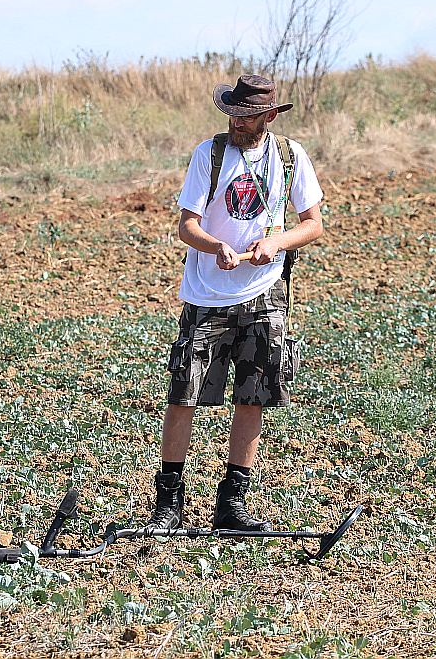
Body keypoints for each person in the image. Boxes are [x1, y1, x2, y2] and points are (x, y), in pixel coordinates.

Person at [146, 74, 324, 531]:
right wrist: (215, 247)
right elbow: (187, 226)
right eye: (232, 114)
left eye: (246, 117)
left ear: (268, 115)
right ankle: (169, 504)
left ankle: (233, 505)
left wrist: (278, 242)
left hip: (266, 293)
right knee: (183, 395)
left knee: (254, 396)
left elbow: (313, 224)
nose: (237, 123)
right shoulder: (209, 154)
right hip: (207, 295)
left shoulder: (290, 156)